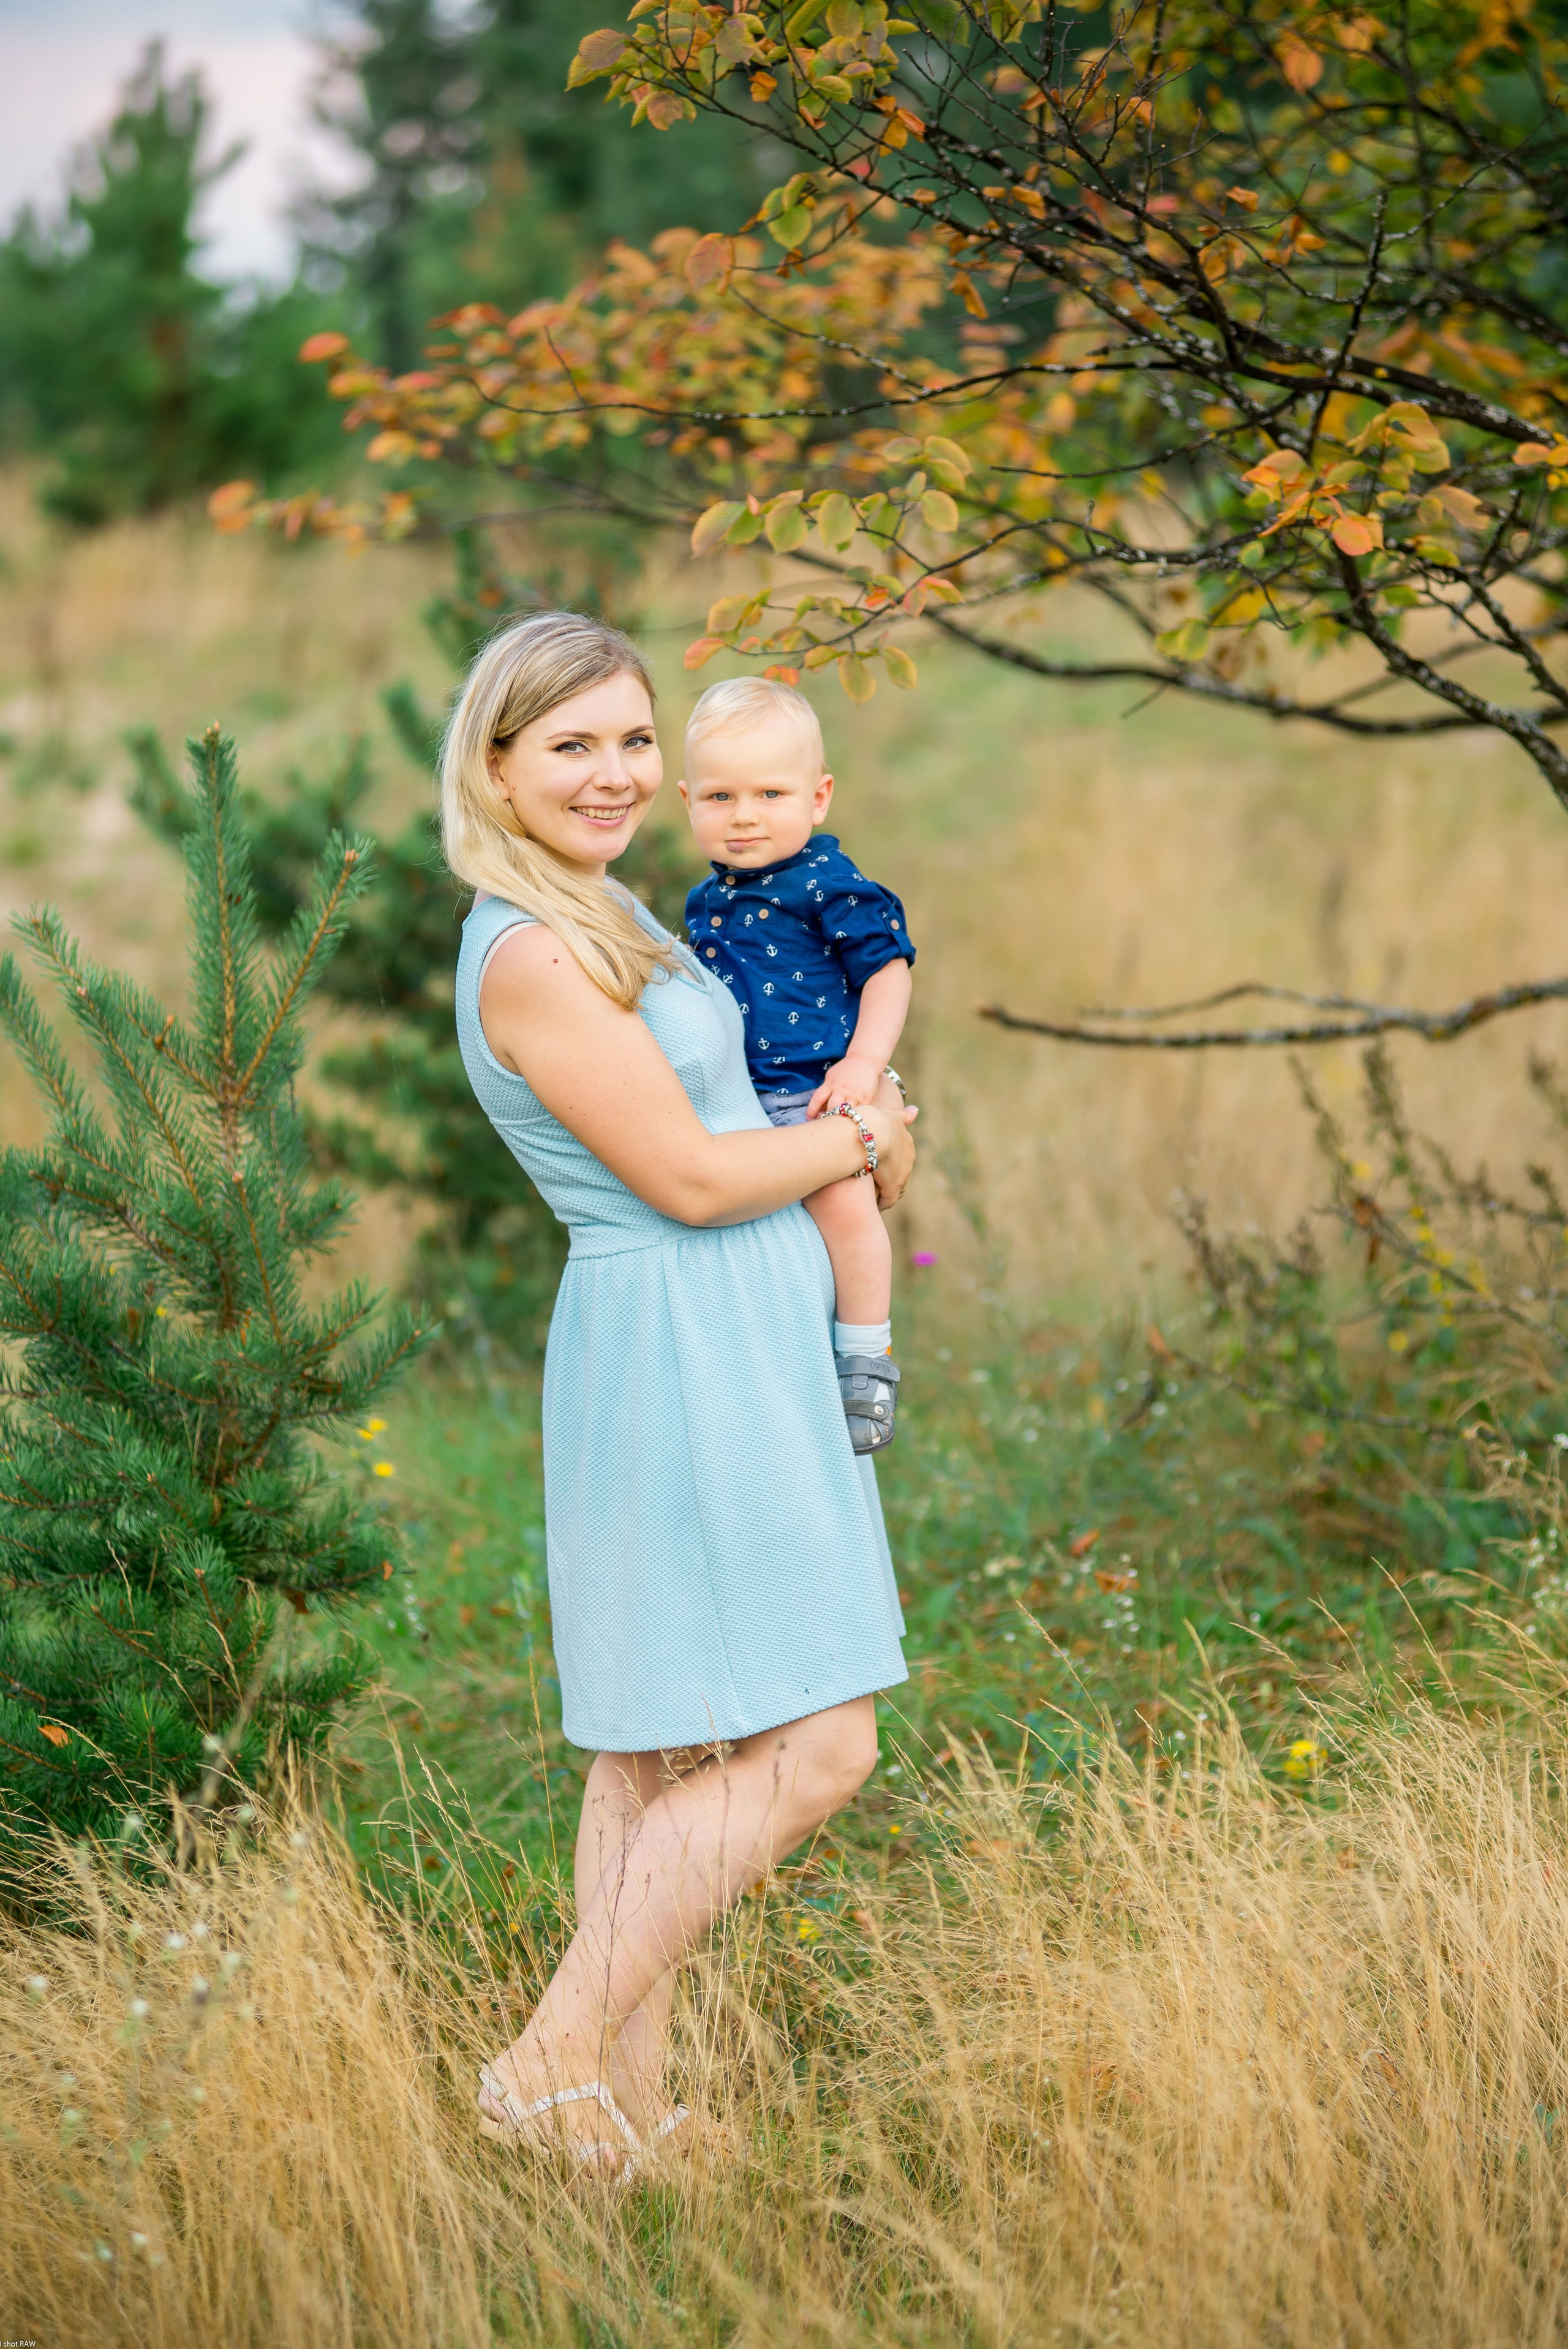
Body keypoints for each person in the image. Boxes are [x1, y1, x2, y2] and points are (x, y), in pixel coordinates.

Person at [446, 612, 918, 2179]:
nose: (614, 773)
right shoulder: (527, 948)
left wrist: (854, 1108)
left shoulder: (611, 903)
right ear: (495, 767)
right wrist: (864, 1143)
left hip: (722, 1328)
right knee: (821, 1743)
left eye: (633, 739)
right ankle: (545, 2054)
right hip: (679, 1339)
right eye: (569, 744)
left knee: (649, 1744)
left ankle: (614, 2118)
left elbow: (744, 1108)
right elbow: (693, 1175)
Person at [680, 677, 914, 1455]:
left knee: (846, 1212)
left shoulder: (828, 881)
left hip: (817, 1091)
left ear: (818, 798)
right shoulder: (702, 900)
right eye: (719, 796)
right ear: (687, 801)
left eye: (770, 793)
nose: (743, 815)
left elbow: (888, 971)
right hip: (739, 1100)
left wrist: (864, 1065)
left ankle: (864, 1360)